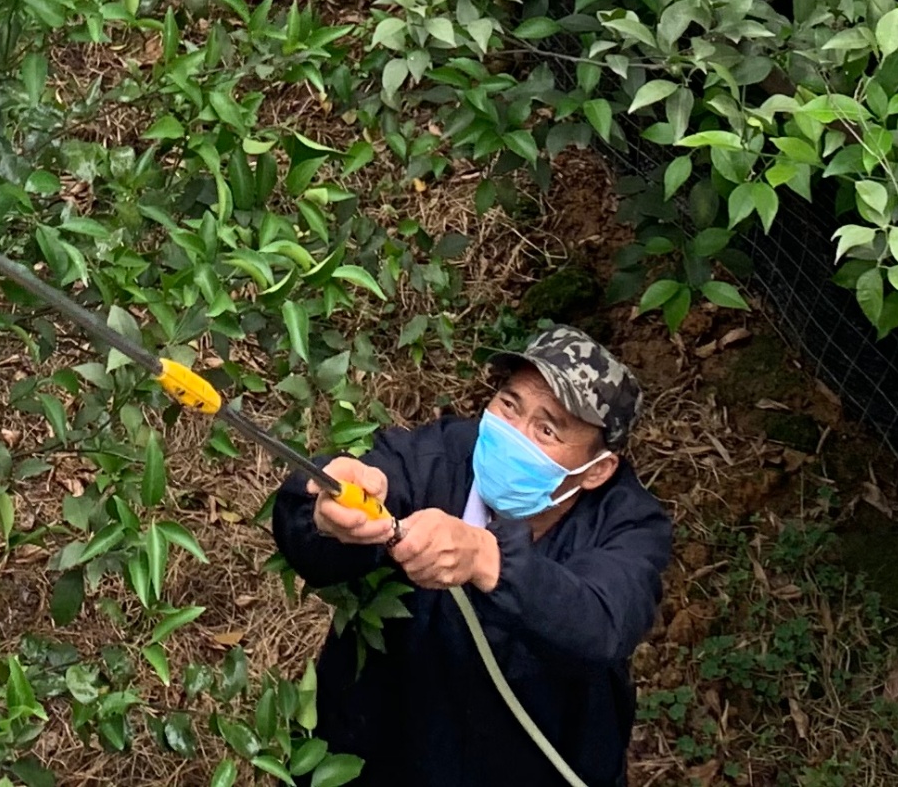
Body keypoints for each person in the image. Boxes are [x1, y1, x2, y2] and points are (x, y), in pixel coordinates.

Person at [269, 323, 675, 787]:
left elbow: (602, 621)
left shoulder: (628, 524)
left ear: (596, 470)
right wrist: (323, 512)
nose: (513, 434)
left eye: (546, 429)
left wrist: (489, 560)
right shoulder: (441, 455)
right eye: (509, 404)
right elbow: (334, 516)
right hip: (379, 748)